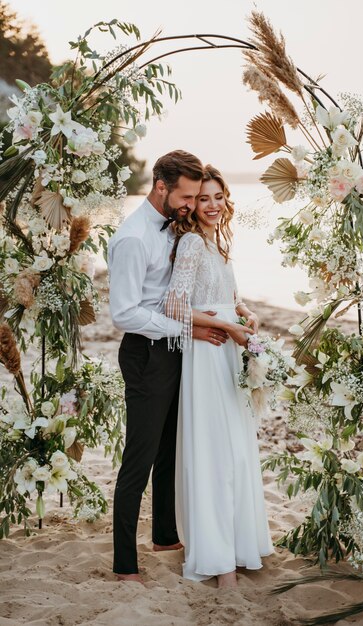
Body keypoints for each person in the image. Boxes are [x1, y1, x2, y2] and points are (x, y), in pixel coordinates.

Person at [108, 151, 237, 583]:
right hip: (146, 352)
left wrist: (193, 327)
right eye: (185, 196)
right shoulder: (132, 239)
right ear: (160, 187)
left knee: (169, 448)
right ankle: (125, 562)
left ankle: (165, 534)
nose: (189, 204)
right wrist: (186, 327)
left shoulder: (173, 227)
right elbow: (125, 313)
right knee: (139, 458)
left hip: (177, 346)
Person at [164, 165, 273, 588]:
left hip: (230, 352)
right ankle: (219, 562)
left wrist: (244, 310)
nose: (212, 205)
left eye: (218, 197)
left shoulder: (217, 241)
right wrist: (228, 328)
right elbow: (174, 307)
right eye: (203, 198)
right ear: (193, 204)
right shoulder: (190, 242)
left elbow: (225, 293)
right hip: (208, 353)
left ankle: (239, 546)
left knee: (238, 451)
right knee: (215, 453)